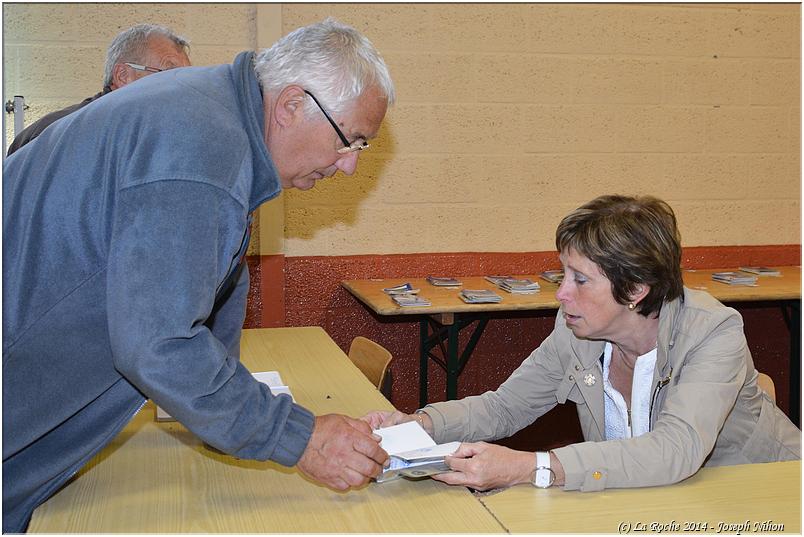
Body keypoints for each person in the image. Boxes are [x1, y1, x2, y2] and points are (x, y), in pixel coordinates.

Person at [3, 18, 394, 532]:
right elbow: (159, 343)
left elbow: (216, 291)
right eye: (351, 141)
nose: (349, 167)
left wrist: (221, 413)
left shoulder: (216, 121)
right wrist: (301, 437)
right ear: (292, 105)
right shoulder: (201, 143)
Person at [365, 195, 801, 492]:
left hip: (765, 502)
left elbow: (675, 452)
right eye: (563, 274)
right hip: (656, 505)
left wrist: (533, 468)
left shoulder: (713, 331)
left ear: (635, 290)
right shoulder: (575, 330)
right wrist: (419, 425)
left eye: (580, 279)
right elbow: (503, 407)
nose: (561, 294)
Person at [6, 23, 191, 156]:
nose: (182, 90)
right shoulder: (54, 136)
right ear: (123, 76)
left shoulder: (158, 138)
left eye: (186, 79)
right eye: (169, 75)